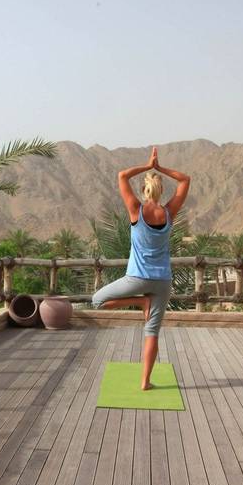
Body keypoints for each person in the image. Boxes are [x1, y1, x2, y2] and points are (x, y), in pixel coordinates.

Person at [91, 147, 190, 390]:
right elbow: (185, 179)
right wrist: (160, 168)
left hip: (136, 278)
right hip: (163, 281)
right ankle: (145, 381)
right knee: (152, 331)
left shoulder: (136, 210)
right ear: (161, 190)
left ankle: (141, 303)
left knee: (97, 300)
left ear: (144, 190)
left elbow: (122, 175)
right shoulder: (169, 213)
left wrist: (148, 166)